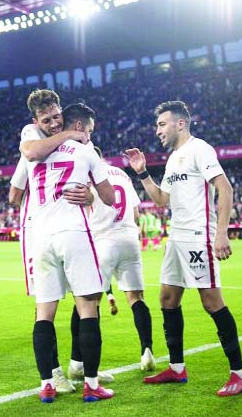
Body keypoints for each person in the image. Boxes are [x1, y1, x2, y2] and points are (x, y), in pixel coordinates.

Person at [125, 100, 242, 397]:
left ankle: (239, 374)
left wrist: (221, 234)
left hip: (198, 236)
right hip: (176, 237)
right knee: (167, 299)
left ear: (180, 123)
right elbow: (161, 200)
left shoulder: (200, 149)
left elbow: (225, 188)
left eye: (162, 124)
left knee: (211, 302)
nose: (158, 131)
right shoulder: (173, 159)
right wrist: (142, 173)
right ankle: (177, 368)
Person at [25, 102, 117, 403]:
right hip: (73, 232)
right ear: (79, 128)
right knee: (88, 307)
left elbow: (29, 158)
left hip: (40, 237)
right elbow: (110, 196)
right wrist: (90, 192)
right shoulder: (86, 151)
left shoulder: (34, 147)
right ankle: (91, 385)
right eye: (87, 130)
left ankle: (47, 384)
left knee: (44, 314)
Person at [89, 146, 155, 371]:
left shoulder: (90, 176)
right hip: (129, 239)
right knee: (136, 297)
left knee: (91, 302)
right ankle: (147, 351)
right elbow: (136, 213)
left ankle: (86, 365)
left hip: (103, 240)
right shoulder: (122, 174)